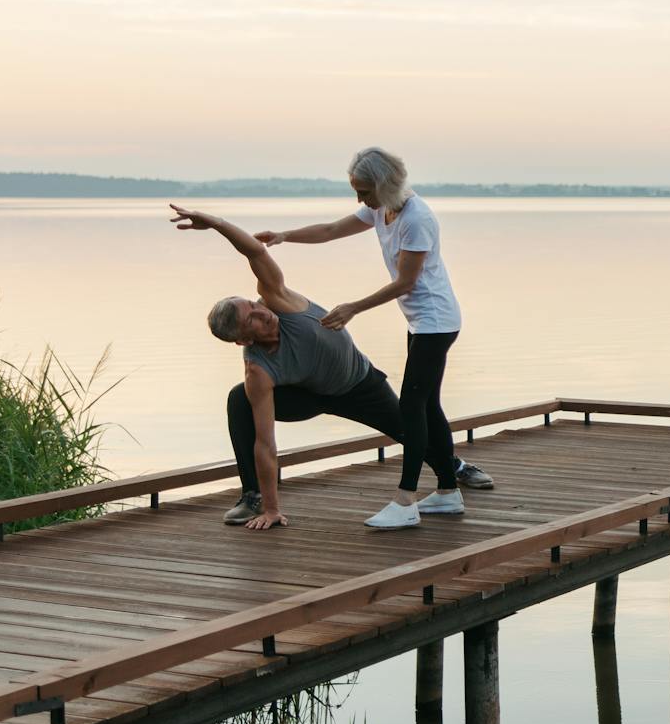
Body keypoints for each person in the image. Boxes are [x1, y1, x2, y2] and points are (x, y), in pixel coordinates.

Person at [171, 204, 461, 531]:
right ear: (242, 340)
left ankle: (452, 469)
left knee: (409, 430)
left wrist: (216, 223)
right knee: (240, 399)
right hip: (306, 394)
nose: (261, 312)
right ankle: (253, 496)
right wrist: (272, 509)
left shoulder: (277, 299)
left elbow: (254, 251)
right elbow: (265, 443)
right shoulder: (258, 370)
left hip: (358, 385)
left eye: (252, 305)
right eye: (250, 317)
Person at [255, 146, 492, 531]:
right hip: (422, 322)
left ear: (385, 184)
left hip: (436, 321)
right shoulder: (382, 209)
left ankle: (405, 500)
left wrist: (353, 308)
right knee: (428, 405)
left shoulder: (417, 219)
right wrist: (283, 236)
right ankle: (448, 492)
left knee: (412, 406)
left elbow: (405, 282)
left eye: (364, 190)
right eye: (357, 191)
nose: (359, 199)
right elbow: (332, 230)